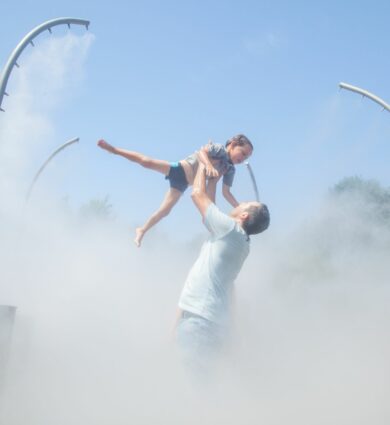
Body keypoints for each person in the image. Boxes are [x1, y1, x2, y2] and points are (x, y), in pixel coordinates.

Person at [175, 161, 270, 377]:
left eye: (246, 203)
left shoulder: (230, 230)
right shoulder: (237, 239)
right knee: (202, 386)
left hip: (199, 322)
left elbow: (196, 195)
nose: (241, 202)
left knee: (196, 390)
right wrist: (215, 181)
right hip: (210, 322)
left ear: (244, 216)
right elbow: (210, 207)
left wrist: (202, 160)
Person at [97, 134, 253, 247]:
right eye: (243, 153)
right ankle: (115, 150)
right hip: (180, 169)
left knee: (164, 212)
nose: (243, 158)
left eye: (246, 157)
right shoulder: (219, 150)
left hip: (184, 184)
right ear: (232, 144)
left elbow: (226, 192)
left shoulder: (230, 169)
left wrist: (240, 208)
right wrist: (209, 166)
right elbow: (201, 153)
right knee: (146, 162)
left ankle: (142, 230)